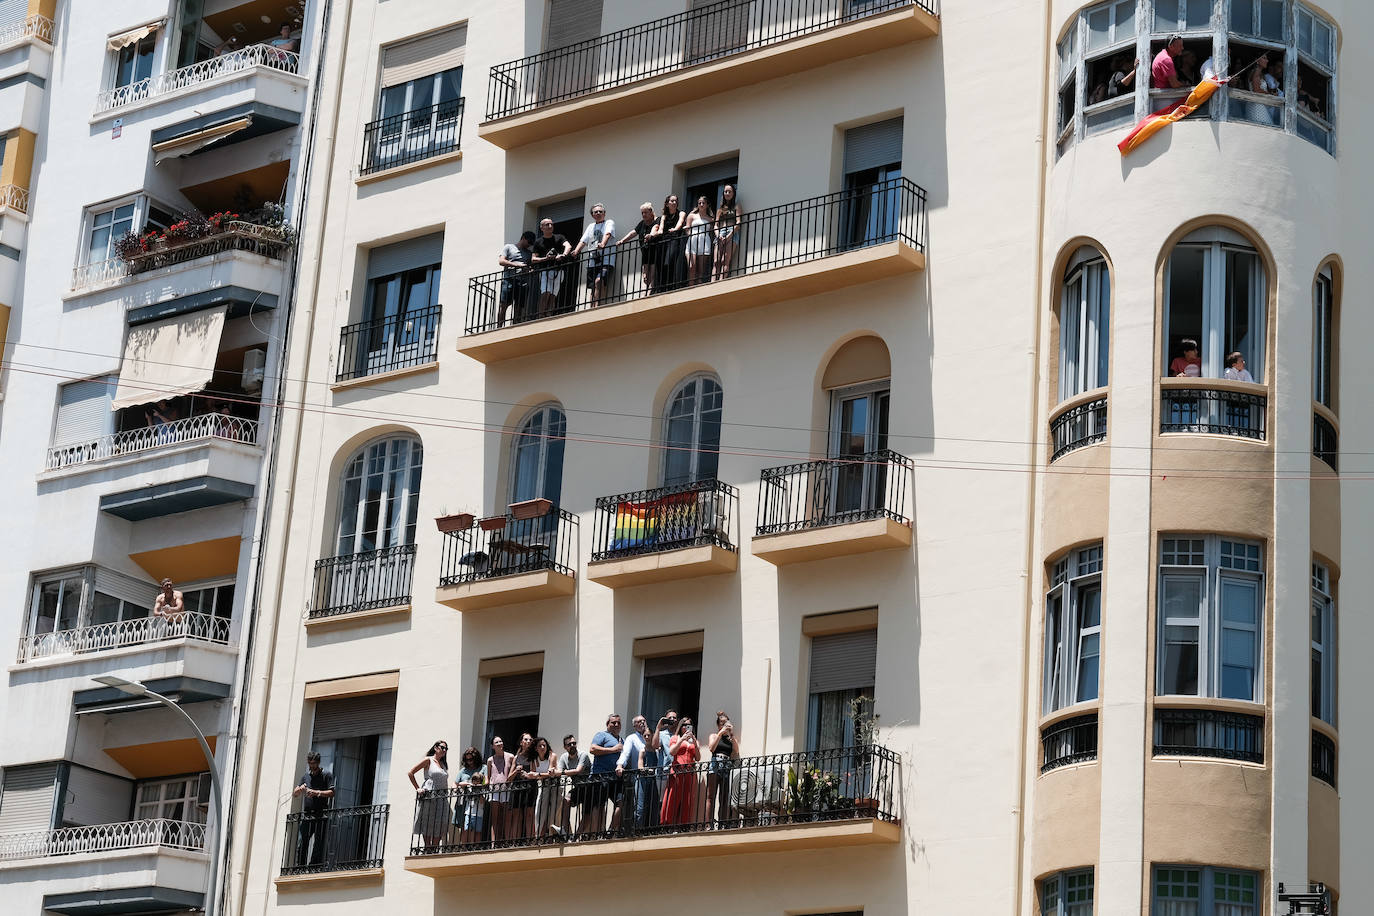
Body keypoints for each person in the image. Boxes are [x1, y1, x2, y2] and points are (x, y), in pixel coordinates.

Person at [407, 740, 453, 851]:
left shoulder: (443, 764)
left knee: (441, 822)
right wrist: (418, 788)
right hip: (429, 795)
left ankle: (434, 847)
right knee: (427, 821)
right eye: (442, 747)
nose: (444, 750)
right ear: (436, 748)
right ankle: (428, 847)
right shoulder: (428, 760)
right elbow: (411, 772)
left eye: (446, 749)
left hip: (442, 797)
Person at [292, 751, 334, 866]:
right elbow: (295, 793)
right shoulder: (305, 777)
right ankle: (300, 867)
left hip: (321, 814)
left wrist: (316, 793)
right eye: (310, 763)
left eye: (314, 763)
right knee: (302, 841)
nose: (312, 766)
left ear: (318, 762)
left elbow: (332, 792)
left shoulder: (327, 775)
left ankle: (313, 867)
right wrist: (300, 789)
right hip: (307, 815)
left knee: (318, 843)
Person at [571, 203, 616, 308]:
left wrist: (603, 244)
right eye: (596, 212)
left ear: (604, 213)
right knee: (592, 287)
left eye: (600, 211)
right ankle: (591, 308)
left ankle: (597, 306)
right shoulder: (591, 226)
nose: (598, 213)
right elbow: (583, 241)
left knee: (599, 281)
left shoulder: (609, 222)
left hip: (606, 260)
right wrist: (576, 251)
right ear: (592, 215)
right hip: (592, 261)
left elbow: (608, 234)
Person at [585, 713, 624, 835]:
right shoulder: (602, 735)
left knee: (621, 802)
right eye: (613, 722)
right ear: (608, 724)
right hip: (600, 776)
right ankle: (596, 833)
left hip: (615, 778)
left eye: (618, 723)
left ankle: (611, 831)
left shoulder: (622, 740)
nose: (616, 724)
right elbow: (592, 749)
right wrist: (613, 749)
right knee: (599, 805)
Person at [659, 717, 700, 827]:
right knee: (673, 798)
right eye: (684, 725)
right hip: (677, 772)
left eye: (689, 725)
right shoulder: (675, 738)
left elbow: (698, 757)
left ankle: (683, 825)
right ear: (680, 727)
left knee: (686, 799)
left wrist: (694, 742)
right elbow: (672, 752)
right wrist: (681, 740)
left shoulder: (694, 741)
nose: (686, 727)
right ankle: (667, 824)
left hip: (689, 773)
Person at [616, 715, 652, 829]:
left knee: (652, 805)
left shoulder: (651, 737)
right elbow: (625, 753)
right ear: (634, 725)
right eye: (639, 721)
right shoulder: (632, 738)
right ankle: (637, 830)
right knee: (639, 806)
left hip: (653, 777)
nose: (642, 723)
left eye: (644, 720)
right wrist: (620, 765)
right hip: (639, 778)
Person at [530, 218, 571, 318]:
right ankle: (541, 317)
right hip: (545, 271)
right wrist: (546, 258)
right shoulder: (538, 242)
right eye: (547, 224)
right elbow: (533, 259)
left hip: (558, 270)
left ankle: (548, 316)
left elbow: (568, 246)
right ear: (541, 228)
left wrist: (563, 255)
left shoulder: (559, 237)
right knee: (545, 293)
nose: (550, 226)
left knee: (553, 295)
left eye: (551, 224)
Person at [706, 710, 740, 828]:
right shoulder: (714, 735)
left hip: (726, 766)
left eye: (726, 723)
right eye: (722, 723)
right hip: (715, 765)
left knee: (724, 798)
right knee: (711, 796)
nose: (724, 725)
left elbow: (736, 750)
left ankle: (722, 824)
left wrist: (732, 734)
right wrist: (720, 733)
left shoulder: (730, 739)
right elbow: (711, 748)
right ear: (718, 725)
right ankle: (708, 824)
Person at [618, 202, 660, 294]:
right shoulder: (642, 223)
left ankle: (649, 294)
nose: (643, 215)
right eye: (642, 213)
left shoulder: (658, 220)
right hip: (645, 253)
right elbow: (633, 233)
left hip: (655, 252)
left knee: (653, 275)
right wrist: (622, 241)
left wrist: (651, 235)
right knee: (645, 277)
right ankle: (645, 293)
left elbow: (656, 229)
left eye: (645, 212)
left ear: (651, 212)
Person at [555, 733, 591, 836]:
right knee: (566, 800)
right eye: (569, 744)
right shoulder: (564, 757)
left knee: (586, 813)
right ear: (565, 747)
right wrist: (554, 772)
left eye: (574, 743)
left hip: (590, 787)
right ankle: (564, 830)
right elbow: (558, 771)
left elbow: (578, 770)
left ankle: (577, 836)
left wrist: (562, 772)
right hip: (579, 787)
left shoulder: (583, 755)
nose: (572, 745)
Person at [497, 230, 535, 326]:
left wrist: (529, 270)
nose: (529, 245)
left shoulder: (529, 253)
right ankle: (499, 327)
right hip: (509, 279)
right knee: (504, 305)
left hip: (523, 281)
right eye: (529, 242)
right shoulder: (509, 247)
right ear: (523, 238)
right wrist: (517, 265)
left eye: (531, 244)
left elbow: (529, 266)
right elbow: (501, 261)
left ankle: (515, 327)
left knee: (519, 307)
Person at [451, 746, 487, 846]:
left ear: (476, 758)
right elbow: (455, 783)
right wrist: (456, 789)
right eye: (467, 760)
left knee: (476, 828)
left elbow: (486, 781)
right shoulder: (463, 770)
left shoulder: (483, 768)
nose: (469, 762)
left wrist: (478, 786)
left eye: (471, 759)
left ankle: (474, 848)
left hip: (478, 802)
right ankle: (464, 848)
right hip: (464, 802)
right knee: (464, 826)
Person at [485, 736, 516, 843]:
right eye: (496, 742)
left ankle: (506, 841)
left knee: (506, 817)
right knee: (495, 818)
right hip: (494, 790)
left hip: (507, 789)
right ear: (492, 746)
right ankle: (494, 843)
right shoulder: (490, 760)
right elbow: (488, 776)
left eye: (500, 741)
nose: (499, 743)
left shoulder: (510, 757)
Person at [509, 732, 538, 841]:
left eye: (530, 740)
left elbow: (534, 772)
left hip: (529, 787)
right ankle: (514, 842)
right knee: (517, 815)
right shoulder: (516, 758)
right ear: (521, 742)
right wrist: (516, 771)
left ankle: (530, 840)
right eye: (526, 739)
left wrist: (527, 774)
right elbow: (509, 778)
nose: (528, 741)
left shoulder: (533, 757)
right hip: (517, 788)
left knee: (529, 814)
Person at [530, 736, 559, 838]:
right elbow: (533, 775)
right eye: (540, 746)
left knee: (553, 811)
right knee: (539, 810)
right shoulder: (534, 760)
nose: (542, 747)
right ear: (536, 748)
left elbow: (550, 773)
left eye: (544, 745)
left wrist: (538, 775)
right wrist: (533, 775)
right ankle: (538, 835)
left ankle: (551, 835)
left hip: (555, 786)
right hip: (542, 786)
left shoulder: (552, 756)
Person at [657, 194, 687, 292]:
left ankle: (670, 286)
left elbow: (680, 222)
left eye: (676, 201)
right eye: (672, 201)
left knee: (669, 262)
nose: (674, 203)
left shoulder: (681, 213)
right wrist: (659, 231)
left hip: (674, 239)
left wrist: (675, 229)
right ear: (667, 204)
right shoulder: (664, 216)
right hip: (664, 241)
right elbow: (661, 227)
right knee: (661, 264)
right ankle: (662, 287)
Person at [713, 185, 742, 281]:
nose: (727, 193)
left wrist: (729, 236)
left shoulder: (736, 206)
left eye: (730, 191)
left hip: (731, 232)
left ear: (733, 194)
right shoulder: (720, 209)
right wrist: (718, 235)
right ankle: (712, 283)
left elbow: (738, 223)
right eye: (726, 191)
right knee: (716, 261)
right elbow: (715, 225)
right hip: (720, 233)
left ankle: (721, 281)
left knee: (724, 260)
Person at [684, 196, 714, 286]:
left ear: (707, 205)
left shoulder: (710, 218)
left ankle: (698, 286)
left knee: (701, 269)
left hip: (704, 242)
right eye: (699, 203)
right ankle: (690, 286)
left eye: (703, 203)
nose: (701, 205)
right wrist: (690, 235)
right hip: (692, 241)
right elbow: (687, 229)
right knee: (691, 267)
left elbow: (712, 230)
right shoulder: (692, 215)